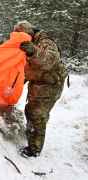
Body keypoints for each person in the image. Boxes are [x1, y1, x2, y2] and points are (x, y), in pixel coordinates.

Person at [14, 21, 68, 157]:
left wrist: (33, 51)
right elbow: (26, 68)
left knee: (37, 115)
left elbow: (50, 60)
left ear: (29, 33)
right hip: (39, 82)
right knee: (32, 112)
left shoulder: (45, 41)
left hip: (50, 84)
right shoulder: (30, 43)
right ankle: (33, 141)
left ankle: (34, 150)